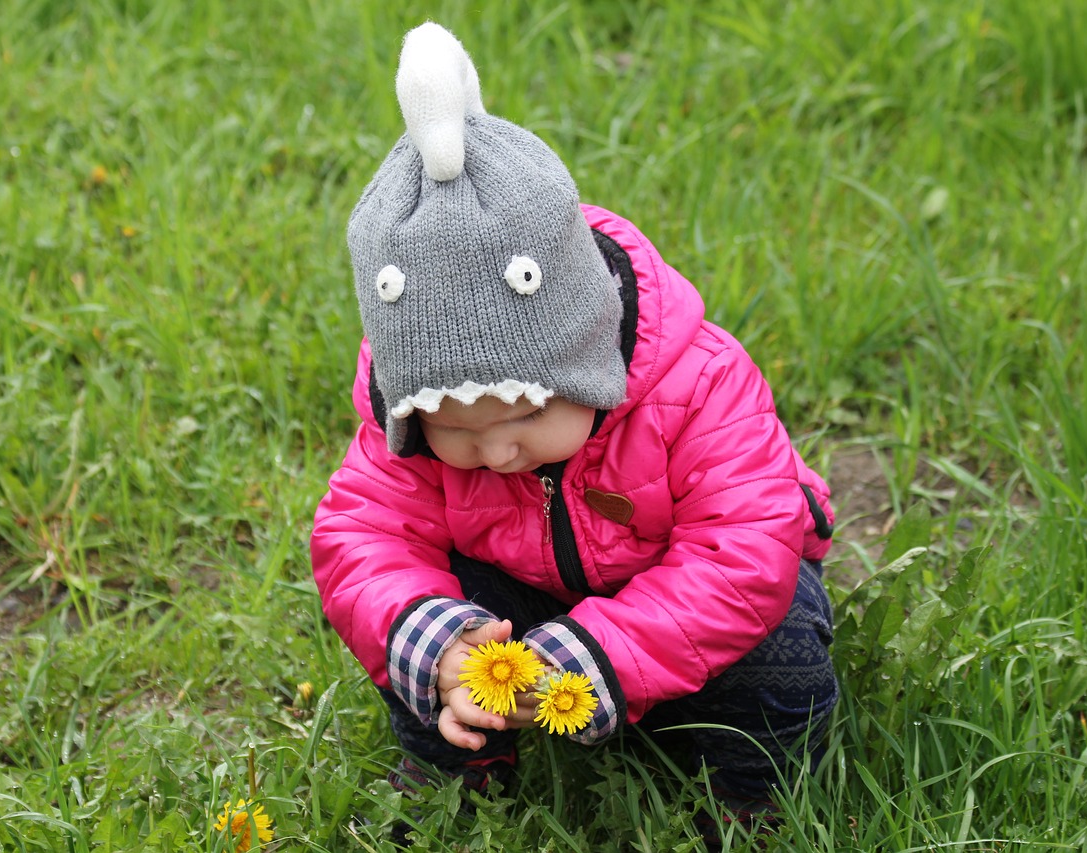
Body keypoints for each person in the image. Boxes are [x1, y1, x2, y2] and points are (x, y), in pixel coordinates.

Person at [311, 21, 838, 845]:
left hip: (682, 595)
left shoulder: (695, 384)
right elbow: (361, 538)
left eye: (523, 414)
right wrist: (437, 640)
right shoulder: (404, 427)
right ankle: (458, 763)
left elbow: (745, 547)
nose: (494, 451)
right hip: (525, 603)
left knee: (778, 642)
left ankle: (753, 791)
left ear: (589, 353)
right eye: (454, 430)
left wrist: (600, 654)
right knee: (407, 617)